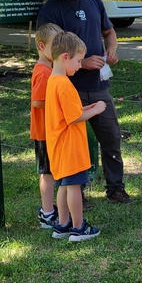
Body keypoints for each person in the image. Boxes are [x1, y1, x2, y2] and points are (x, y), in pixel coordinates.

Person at [37, 0, 132, 204]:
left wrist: (111, 49)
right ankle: (74, 191)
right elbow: (52, 53)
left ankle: (115, 188)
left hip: (99, 86)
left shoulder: (93, 0)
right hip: (69, 89)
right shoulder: (50, 10)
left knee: (111, 138)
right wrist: (84, 63)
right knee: (72, 145)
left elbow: (109, 31)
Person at [45, 32, 107, 242]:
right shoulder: (64, 84)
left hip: (58, 146)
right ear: (65, 57)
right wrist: (97, 109)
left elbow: (68, 112)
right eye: (78, 61)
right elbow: (75, 118)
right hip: (70, 147)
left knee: (63, 185)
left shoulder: (53, 81)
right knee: (74, 187)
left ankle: (62, 224)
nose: (80, 66)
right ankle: (79, 227)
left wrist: (85, 107)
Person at [31, 23, 61, 229]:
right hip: (43, 132)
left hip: (50, 130)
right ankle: (47, 213)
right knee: (47, 173)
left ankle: (49, 209)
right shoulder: (43, 72)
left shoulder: (49, 68)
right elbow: (37, 101)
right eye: (55, 45)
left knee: (51, 171)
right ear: (42, 46)